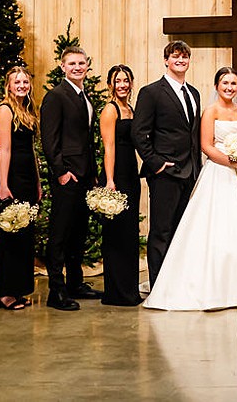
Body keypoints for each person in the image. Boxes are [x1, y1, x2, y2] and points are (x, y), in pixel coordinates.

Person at [143, 68, 237, 310]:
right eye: (225, 83)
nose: (229, 87)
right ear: (217, 85)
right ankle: (215, 286)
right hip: (219, 174)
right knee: (219, 228)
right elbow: (206, 146)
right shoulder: (210, 112)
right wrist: (233, 161)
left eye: (233, 83)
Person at [132, 40, 202, 289]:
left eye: (184, 57)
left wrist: (198, 167)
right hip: (165, 173)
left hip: (190, 172)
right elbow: (139, 133)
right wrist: (156, 163)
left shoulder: (193, 93)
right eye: (175, 56)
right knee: (161, 230)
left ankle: (178, 282)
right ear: (166, 60)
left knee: (182, 232)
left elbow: (193, 133)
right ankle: (159, 285)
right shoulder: (151, 92)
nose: (180, 61)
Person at [40, 46, 101, 311]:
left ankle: (76, 282)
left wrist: (93, 173)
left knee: (78, 232)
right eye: (72, 64)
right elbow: (49, 139)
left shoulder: (84, 97)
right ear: (62, 67)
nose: (77, 67)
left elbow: (86, 140)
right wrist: (60, 172)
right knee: (60, 234)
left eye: (81, 63)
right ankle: (56, 290)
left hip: (85, 175)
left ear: (87, 66)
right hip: (67, 176)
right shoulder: (56, 96)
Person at [0, 66, 42, 311]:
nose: (22, 85)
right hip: (12, 177)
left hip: (28, 178)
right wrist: (3, 184)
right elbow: (5, 150)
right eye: (17, 82)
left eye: (25, 82)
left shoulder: (28, 110)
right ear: (9, 85)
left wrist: (38, 182)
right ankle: (4, 292)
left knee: (25, 236)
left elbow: (31, 150)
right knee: (10, 235)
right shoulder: (5, 110)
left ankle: (20, 288)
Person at [98, 64, 142, 307]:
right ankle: (116, 292)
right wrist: (110, 180)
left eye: (126, 80)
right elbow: (109, 147)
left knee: (129, 234)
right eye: (118, 81)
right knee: (116, 234)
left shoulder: (131, 109)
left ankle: (129, 290)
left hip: (131, 173)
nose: (122, 84)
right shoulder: (110, 109)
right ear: (111, 85)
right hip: (116, 176)